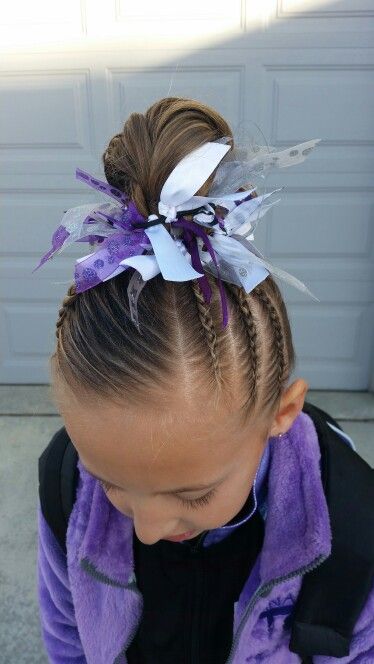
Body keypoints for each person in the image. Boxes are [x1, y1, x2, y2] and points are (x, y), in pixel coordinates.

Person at [35, 96, 374, 663]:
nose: (144, 530)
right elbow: (68, 633)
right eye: (110, 480)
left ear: (281, 414)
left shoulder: (352, 534)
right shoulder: (66, 486)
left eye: (193, 494)